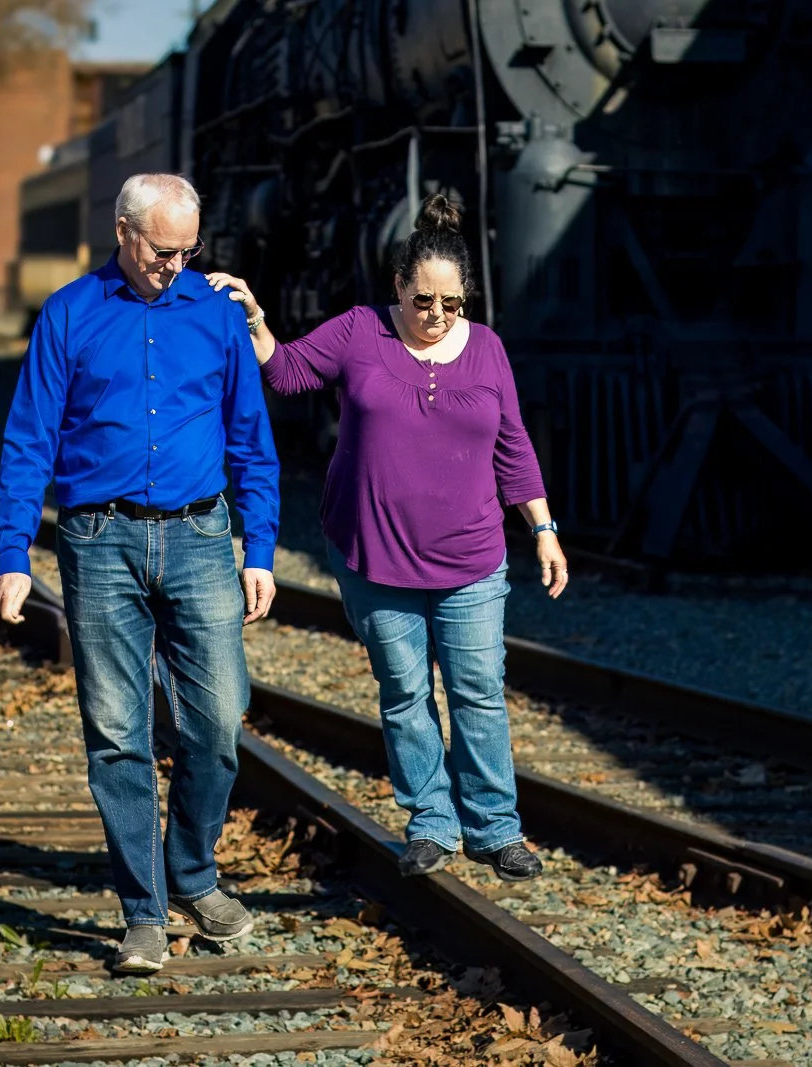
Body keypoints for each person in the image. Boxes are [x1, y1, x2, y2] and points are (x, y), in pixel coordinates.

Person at [205, 193, 567, 882]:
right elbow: (286, 372)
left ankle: (494, 828)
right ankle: (431, 823)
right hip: (376, 556)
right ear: (398, 285)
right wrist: (255, 317)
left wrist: (543, 529)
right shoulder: (358, 332)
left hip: (471, 559)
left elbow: (514, 448)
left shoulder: (487, 349)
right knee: (404, 696)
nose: (436, 315)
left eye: (452, 304)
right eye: (423, 299)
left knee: (479, 692)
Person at [0, 173, 280, 974]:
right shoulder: (71, 313)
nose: (175, 264)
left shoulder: (216, 316)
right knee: (116, 734)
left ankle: (191, 869)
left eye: (190, 251)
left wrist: (259, 548)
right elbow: (28, 441)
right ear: (123, 231)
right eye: (162, 249)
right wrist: (12, 553)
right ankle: (143, 913)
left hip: (198, 537)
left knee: (219, 722)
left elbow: (252, 439)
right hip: (99, 541)